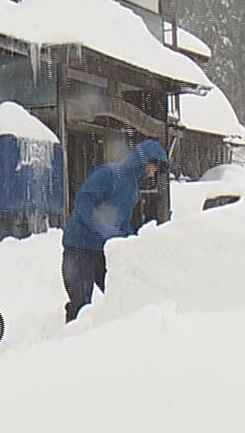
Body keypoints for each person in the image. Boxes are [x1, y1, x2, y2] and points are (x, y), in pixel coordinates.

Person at [61, 138, 168, 322]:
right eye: (153, 167)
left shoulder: (133, 190)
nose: (153, 174)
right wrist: (101, 226)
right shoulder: (108, 174)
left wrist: (132, 240)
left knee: (119, 291)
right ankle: (70, 340)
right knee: (80, 303)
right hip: (79, 246)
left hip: (102, 250)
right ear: (143, 160)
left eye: (156, 171)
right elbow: (83, 201)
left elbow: (123, 222)